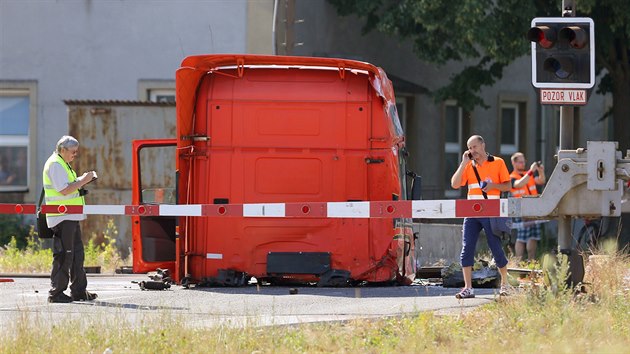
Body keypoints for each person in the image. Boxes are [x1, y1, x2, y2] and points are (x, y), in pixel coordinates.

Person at [450, 135, 512, 298]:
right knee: (467, 248)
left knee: (495, 248)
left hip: (491, 211)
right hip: (471, 213)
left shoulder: (498, 162)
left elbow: (508, 185)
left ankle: (505, 284)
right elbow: (455, 184)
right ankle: (468, 287)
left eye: (475, 147)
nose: (472, 151)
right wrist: (463, 163)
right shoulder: (468, 166)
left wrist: (493, 186)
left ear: (483, 145)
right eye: (469, 148)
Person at [43, 136, 98, 303]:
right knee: (64, 255)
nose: (75, 154)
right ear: (63, 150)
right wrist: (83, 181)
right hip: (62, 217)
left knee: (76, 256)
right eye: (73, 151)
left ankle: (79, 291)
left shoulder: (62, 164)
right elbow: (65, 190)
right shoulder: (55, 164)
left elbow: (67, 187)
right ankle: (56, 293)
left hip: (69, 216)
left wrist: (80, 180)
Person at [510, 152, 546, 261]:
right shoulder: (511, 177)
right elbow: (519, 184)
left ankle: (531, 261)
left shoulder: (527, 175)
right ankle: (518, 262)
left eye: (524, 161)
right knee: (521, 237)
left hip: (533, 208)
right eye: (520, 162)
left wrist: (540, 171)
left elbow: (541, 180)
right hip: (520, 209)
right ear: (514, 163)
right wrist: (531, 171)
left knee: (533, 236)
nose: (523, 164)